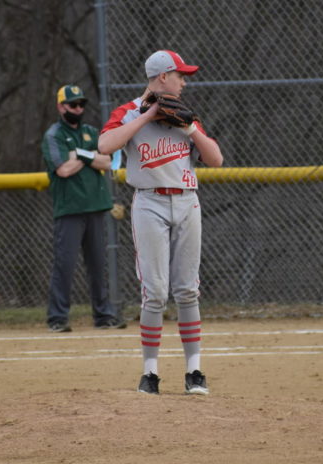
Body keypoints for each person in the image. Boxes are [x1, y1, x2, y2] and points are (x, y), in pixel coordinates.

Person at [98, 50, 224, 395]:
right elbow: (105, 144)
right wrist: (149, 113)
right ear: (162, 77)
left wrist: (191, 129)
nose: (184, 82)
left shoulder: (186, 116)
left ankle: (194, 371)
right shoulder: (129, 113)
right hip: (149, 203)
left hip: (186, 201)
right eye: (180, 75)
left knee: (187, 289)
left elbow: (215, 159)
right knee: (154, 291)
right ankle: (150, 373)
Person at [41, 84, 126, 333]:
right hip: (70, 209)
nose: (78, 109)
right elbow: (63, 169)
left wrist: (79, 155)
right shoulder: (54, 135)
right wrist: (89, 157)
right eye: (72, 104)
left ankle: (103, 316)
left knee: (98, 265)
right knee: (65, 266)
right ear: (60, 107)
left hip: (96, 207)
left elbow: (108, 162)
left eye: (81, 104)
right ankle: (57, 318)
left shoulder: (90, 131)